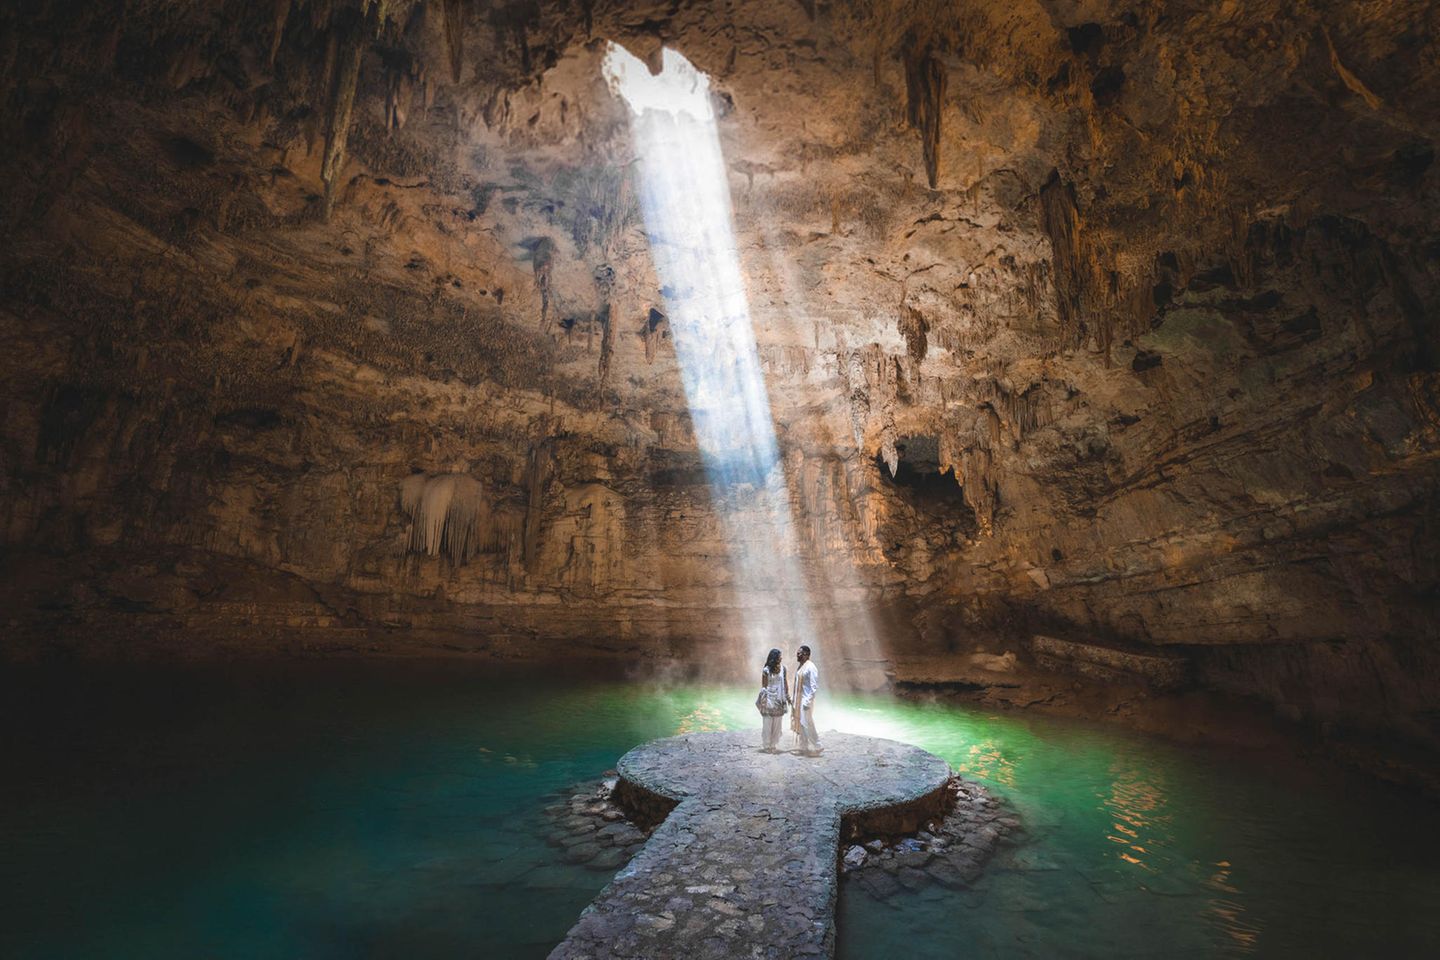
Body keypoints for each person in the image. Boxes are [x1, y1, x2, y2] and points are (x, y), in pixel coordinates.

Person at [756, 648, 791, 752]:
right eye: (780, 656)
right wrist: (763, 700)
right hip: (769, 699)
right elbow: (764, 686)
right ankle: (767, 745)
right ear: (775, 657)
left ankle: (773, 744)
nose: (781, 657)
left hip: (780, 699)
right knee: (767, 723)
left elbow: (785, 683)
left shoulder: (783, 669)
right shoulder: (766, 670)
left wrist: (787, 696)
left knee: (777, 723)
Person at [791, 645, 822, 756]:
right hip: (799, 699)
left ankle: (818, 745)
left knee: (807, 723)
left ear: (806, 654)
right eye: (797, 653)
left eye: (799, 653)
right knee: (802, 723)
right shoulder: (801, 666)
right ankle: (803, 746)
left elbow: (814, 687)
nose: (797, 655)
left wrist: (807, 702)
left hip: (805, 701)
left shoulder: (811, 667)